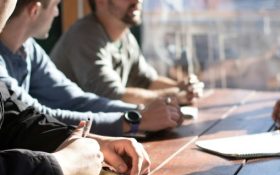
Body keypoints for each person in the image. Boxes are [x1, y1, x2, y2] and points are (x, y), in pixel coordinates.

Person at [0, 0, 150, 175]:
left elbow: (15, 118)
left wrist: (87, 140)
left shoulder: (28, 49)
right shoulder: (85, 34)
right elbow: (41, 111)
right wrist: (64, 165)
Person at [0, 0, 182, 137]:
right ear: (34, 10)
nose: (57, 13)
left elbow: (76, 100)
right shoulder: (84, 35)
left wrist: (139, 110)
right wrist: (135, 120)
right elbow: (37, 117)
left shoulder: (28, 48)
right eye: (56, 5)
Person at [50, 0, 204, 106]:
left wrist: (183, 86)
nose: (138, 1)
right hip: (65, 135)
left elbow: (147, 81)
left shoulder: (125, 36)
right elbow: (113, 97)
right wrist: (175, 96)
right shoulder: (84, 36)